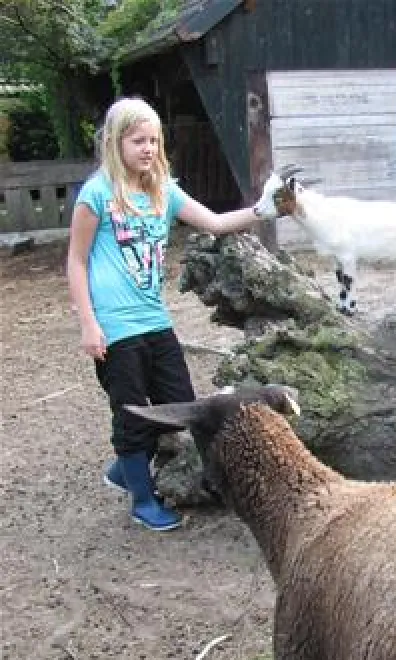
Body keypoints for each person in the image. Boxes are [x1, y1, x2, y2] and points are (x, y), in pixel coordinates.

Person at [67, 97, 262, 531]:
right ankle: (142, 499)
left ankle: (124, 470)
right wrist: (88, 323)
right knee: (133, 411)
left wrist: (263, 209)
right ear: (116, 143)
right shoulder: (97, 195)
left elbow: (212, 222)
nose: (148, 149)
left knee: (179, 403)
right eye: (138, 141)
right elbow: (76, 261)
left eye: (154, 140)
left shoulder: (163, 190)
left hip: (156, 320)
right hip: (115, 327)